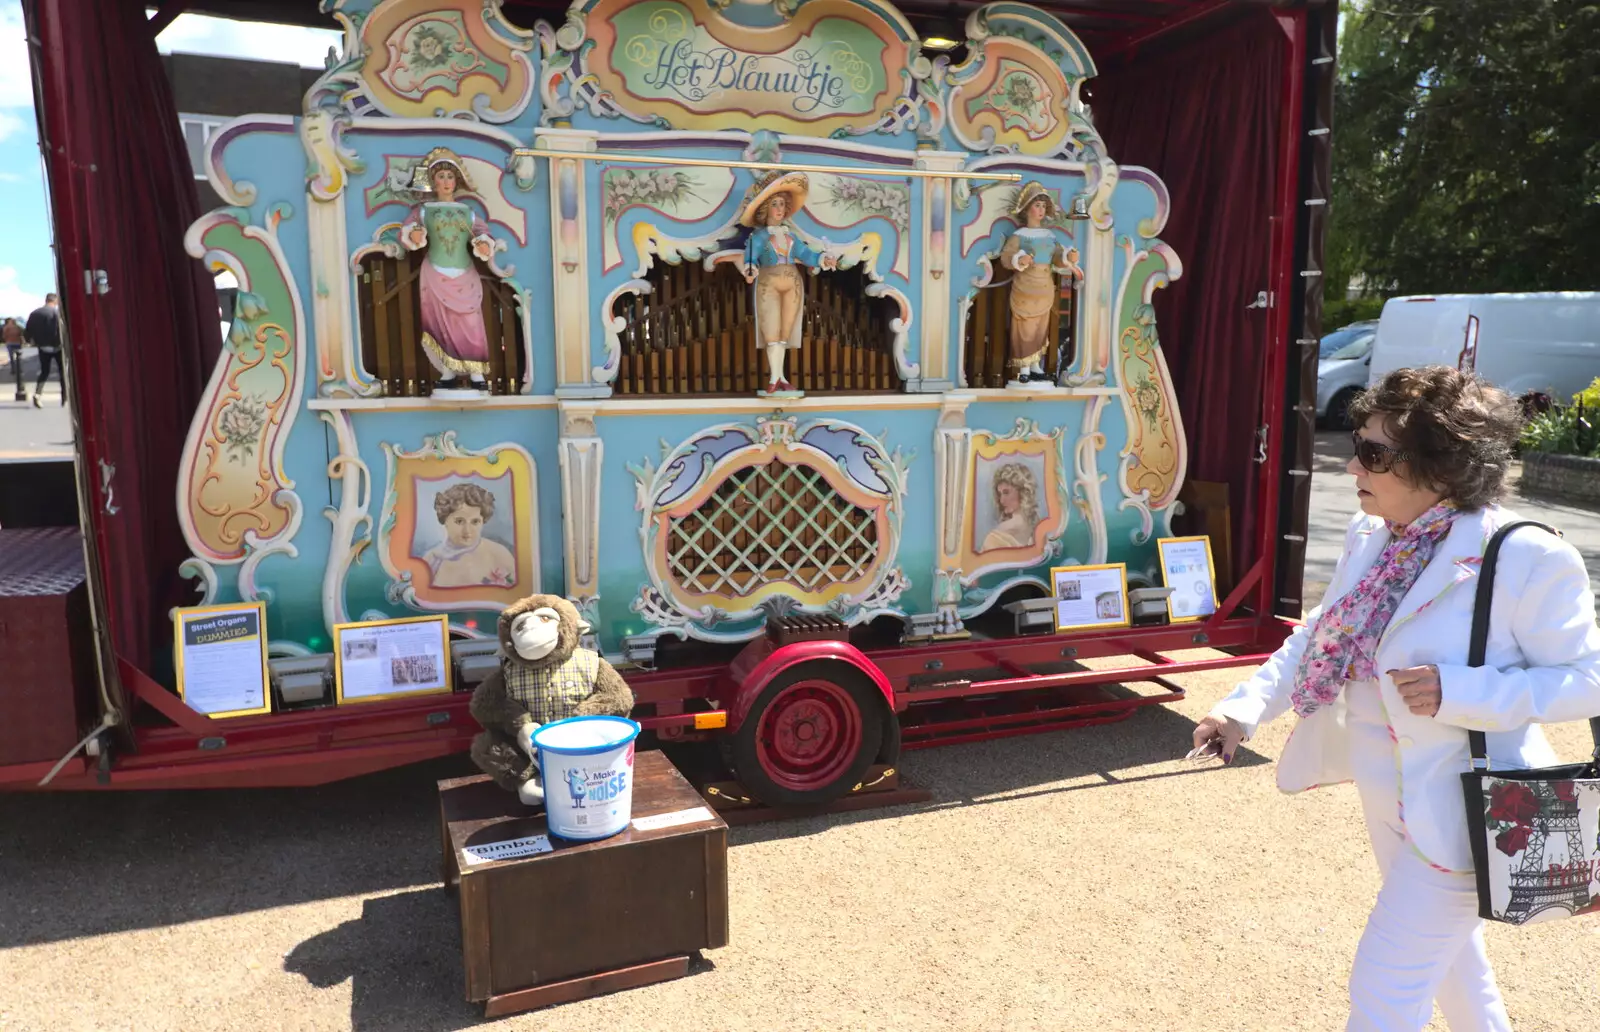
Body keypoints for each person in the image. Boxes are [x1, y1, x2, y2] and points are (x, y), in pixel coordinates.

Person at [1190, 366, 1600, 1032]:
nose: (1353, 464)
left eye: (1374, 454)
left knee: (1385, 985)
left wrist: (1459, 691)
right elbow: (1322, 635)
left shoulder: (1527, 558)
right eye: (1358, 444)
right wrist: (1240, 711)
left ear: (1441, 465)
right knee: (1454, 967)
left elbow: (1587, 678)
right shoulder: (1372, 536)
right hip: (1388, 799)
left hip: (1473, 810)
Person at [401, 148, 496, 393]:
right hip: (434, 272)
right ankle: (447, 370)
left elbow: (483, 233)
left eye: (450, 177)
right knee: (438, 322)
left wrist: (484, 243)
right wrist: (415, 233)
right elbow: (409, 229)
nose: (445, 181)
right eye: (441, 176)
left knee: (471, 322)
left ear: (457, 181)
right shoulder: (424, 211)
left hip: (464, 273)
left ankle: (476, 373)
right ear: (433, 181)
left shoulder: (468, 213)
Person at [738, 170, 838, 396]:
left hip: (793, 282)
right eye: (775, 203)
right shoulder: (759, 237)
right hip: (769, 281)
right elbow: (750, 258)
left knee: (785, 330)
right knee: (771, 329)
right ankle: (774, 378)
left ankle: (781, 376)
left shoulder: (791, 236)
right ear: (766, 209)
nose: (780, 209)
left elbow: (807, 255)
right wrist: (751, 268)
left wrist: (823, 259)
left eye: (782, 204)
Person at [998, 182, 1083, 387]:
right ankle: (1024, 369)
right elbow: (1006, 257)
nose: (1041, 210)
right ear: (1027, 208)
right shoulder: (1019, 236)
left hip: (1044, 289)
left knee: (1040, 328)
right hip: (1025, 289)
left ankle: (1036, 367)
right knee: (1025, 328)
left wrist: (1068, 256)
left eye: (1044, 206)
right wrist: (1020, 259)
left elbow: (1057, 258)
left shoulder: (1049, 236)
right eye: (1037, 205)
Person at [422, 482, 516, 589]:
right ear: (445, 520)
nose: (467, 530)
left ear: (483, 521)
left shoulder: (499, 555)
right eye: (459, 521)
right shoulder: (431, 560)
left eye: (475, 522)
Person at [979, 462, 1040, 551]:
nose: (1001, 500)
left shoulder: (996, 536)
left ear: (1022, 492)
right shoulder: (1038, 529)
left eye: (1006, 492)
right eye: (1000, 494)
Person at [24, 293, 64, 407]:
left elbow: (28, 331)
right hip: (57, 346)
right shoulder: (57, 313)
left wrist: (30, 341)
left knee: (44, 371)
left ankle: (38, 393)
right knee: (62, 372)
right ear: (55, 301)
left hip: (43, 347)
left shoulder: (35, 313)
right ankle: (64, 396)